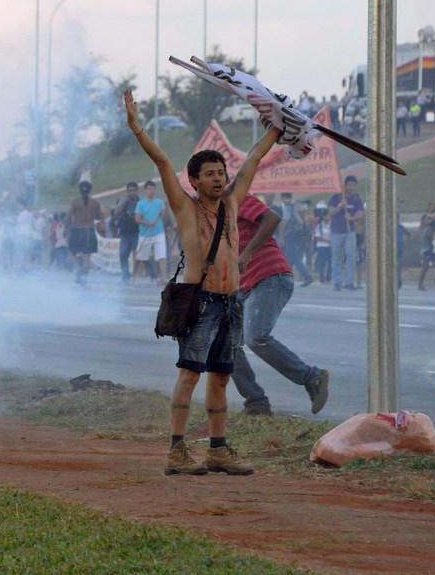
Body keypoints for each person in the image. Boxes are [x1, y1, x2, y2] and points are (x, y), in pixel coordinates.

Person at [124, 89, 281, 476]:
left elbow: (254, 159)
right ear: (193, 180)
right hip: (202, 303)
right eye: (209, 174)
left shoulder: (231, 204)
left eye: (221, 173)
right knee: (190, 374)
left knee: (222, 377)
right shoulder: (185, 208)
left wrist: (278, 129)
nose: (218, 178)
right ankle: (176, 450)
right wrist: (136, 126)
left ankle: (218, 449)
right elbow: (162, 161)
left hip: (231, 302)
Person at [232, 194, 330, 416]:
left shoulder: (234, 198)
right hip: (242, 286)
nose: (216, 180)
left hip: (268, 275)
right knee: (225, 345)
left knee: (255, 337)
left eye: (218, 173)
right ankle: (256, 403)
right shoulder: (209, 217)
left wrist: (248, 253)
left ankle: (311, 377)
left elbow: (272, 218)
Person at [328, 175, 364, 291]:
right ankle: (337, 282)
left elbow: (360, 214)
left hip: (350, 233)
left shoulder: (356, 199)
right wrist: (340, 206)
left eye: (354, 185)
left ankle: (349, 281)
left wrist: (351, 218)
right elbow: (331, 212)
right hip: (336, 232)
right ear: (345, 185)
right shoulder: (336, 197)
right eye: (350, 185)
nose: (352, 188)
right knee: (337, 257)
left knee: (351, 256)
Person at [67, 180, 102, 285]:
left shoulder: (75, 202)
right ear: (90, 190)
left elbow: (69, 216)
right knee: (87, 257)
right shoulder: (95, 203)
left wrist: (65, 227)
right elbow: (100, 217)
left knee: (72, 252)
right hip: (89, 231)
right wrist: (91, 215)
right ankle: (83, 275)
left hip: (77, 230)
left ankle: (78, 268)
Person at [134, 180, 167, 283]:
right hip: (145, 234)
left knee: (162, 255)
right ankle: (133, 275)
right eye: (149, 189)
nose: (151, 191)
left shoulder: (159, 202)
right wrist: (148, 223)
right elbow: (137, 219)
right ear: (145, 190)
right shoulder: (141, 203)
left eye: (153, 189)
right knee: (139, 256)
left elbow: (164, 217)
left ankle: (164, 277)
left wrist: (163, 212)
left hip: (158, 233)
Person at [113, 182, 141, 284]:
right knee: (123, 254)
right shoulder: (123, 201)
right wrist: (125, 201)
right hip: (125, 232)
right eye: (130, 190)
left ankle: (136, 275)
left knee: (139, 255)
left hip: (137, 232)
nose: (132, 192)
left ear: (137, 191)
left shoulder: (140, 201)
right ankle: (125, 275)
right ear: (127, 191)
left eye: (134, 190)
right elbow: (116, 212)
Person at [418, 202, 435, 290]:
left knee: (427, 265)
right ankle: (420, 285)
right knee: (425, 266)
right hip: (427, 247)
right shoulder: (426, 220)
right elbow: (422, 226)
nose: (431, 209)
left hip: (432, 245)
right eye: (429, 207)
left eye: (432, 207)